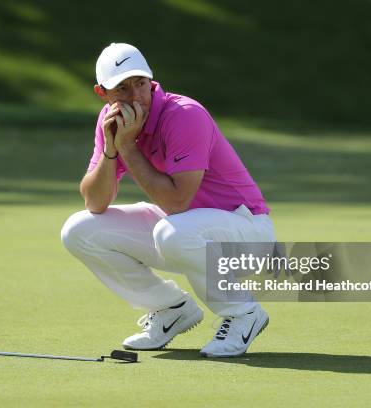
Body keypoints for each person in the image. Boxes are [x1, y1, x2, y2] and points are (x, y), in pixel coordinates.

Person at [61, 43, 276, 357]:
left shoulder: (185, 115)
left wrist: (128, 147)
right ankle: (170, 308)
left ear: (152, 81)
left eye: (140, 84)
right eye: (121, 88)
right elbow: (95, 203)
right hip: (186, 230)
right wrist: (112, 148)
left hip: (247, 232)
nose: (135, 96)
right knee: (79, 230)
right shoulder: (111, 120)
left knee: (173, 231)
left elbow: (177, 201)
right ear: (102, 93)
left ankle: (243, 312)